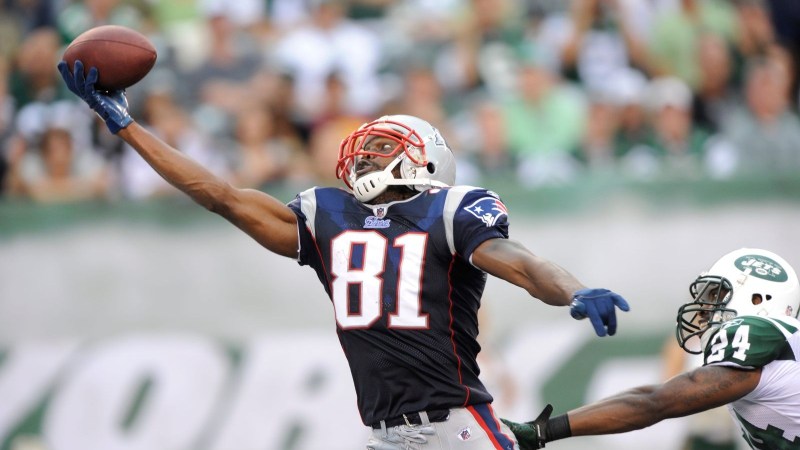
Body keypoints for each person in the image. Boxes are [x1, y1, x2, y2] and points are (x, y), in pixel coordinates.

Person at [57, 60, 630, 450]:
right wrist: (127, 127)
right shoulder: (328, 214)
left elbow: (523, 263)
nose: (366, 154)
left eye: (383, 146)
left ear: (427, 162)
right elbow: (222, 196)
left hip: (458, 430)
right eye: (367, 144)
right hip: (383, 433)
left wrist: (574, 290)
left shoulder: (451, 210)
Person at [502, 247, 800, 450]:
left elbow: (654, 403)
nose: (705, 308)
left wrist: (545, 430)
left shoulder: (760, 332)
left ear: (758, 300)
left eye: (717, 295)